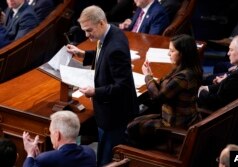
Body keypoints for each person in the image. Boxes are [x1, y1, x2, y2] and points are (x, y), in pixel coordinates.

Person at [66, 6, 139, 166]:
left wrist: (95, 92)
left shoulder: (116, 47)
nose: (86, 35)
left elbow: (122, 86)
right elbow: (102, 55)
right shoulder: (111, 33)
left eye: (89, 30)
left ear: (100, 23)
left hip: (114, 115)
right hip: (109, 112)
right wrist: (83, 54)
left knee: (107, 158)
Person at [127, 34, 203, 149]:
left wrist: (147, 77)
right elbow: (166, 90)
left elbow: (158, 98)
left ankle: (141, 158)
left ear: (182, 53)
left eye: (172, 51)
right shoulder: (187, 69)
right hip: (176, 117)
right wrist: (151, 79)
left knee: (131, 129)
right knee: (135, 121)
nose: (168, 54)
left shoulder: (184, 76)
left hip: (174, 124)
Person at [22, 110, 96, 167]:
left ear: (57, 135)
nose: (50, 136)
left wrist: (30, 154)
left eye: (50, 132)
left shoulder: (45, 159)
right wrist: (38, 157)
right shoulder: (89, 152)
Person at [198, 34, 238, 111]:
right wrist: (208, 88)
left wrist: (200, 91)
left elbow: (216, 103)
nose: (228, 53)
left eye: (231, 50)